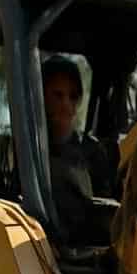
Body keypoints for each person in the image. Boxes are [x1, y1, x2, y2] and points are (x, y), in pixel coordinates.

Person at [41, 56, 115, 244]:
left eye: (73, 97)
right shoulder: (24, 149)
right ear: (40, 96)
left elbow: (103, 210)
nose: (66, 105)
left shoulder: (92, 151)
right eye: (58, 95)